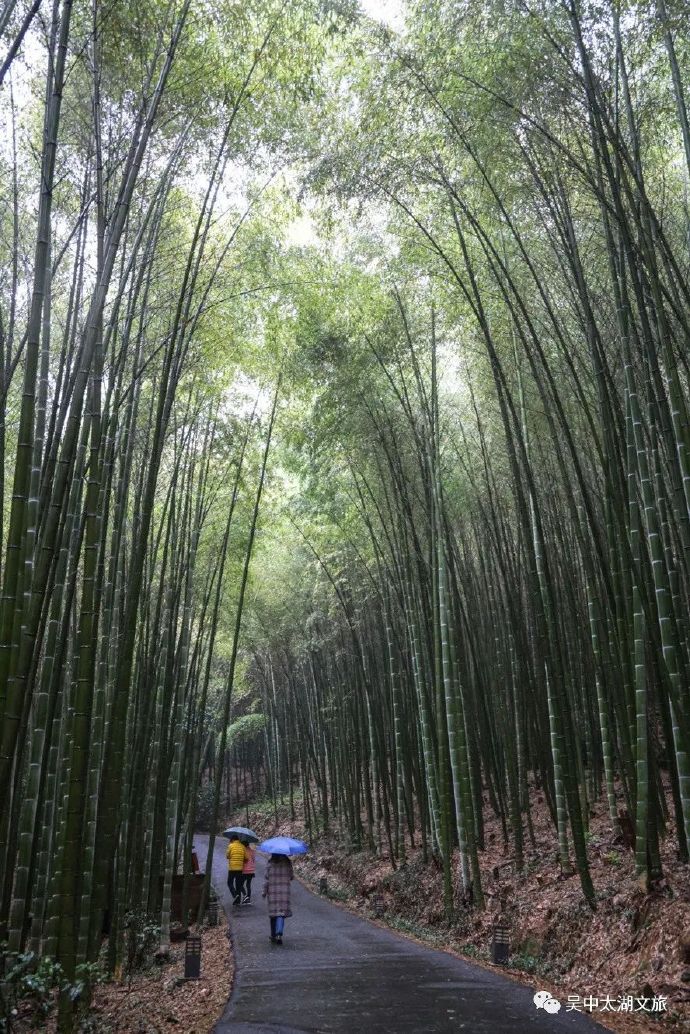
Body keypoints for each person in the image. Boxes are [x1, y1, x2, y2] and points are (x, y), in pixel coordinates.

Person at [262, 852, 294, 944]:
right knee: (281, 913)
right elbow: (291, 876)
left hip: (272, 891)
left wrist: (264, 892)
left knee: (273, 914)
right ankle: (279, 933)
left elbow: (266, 877)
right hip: (284, 891)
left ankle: (273, 935)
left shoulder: (270, 863)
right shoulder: (288, 863)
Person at [226, 833, 248, 907]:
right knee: (238, 885)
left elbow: (227, 856)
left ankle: (235, 895)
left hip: (232, 868)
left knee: (229, 883)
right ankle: (237, 902)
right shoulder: (242, 847)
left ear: (232, 840)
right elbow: (246, 858)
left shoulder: (230, 846)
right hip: (240, 868)